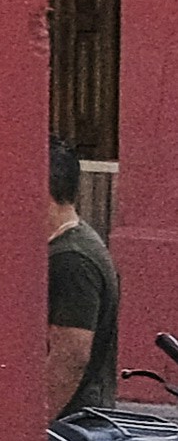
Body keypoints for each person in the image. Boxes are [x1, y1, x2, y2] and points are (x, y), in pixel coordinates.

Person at [60, 143, 125, 425]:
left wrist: (29, 431)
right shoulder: (78, 245)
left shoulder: (72, 260)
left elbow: (71, 356)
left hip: (73, 426)